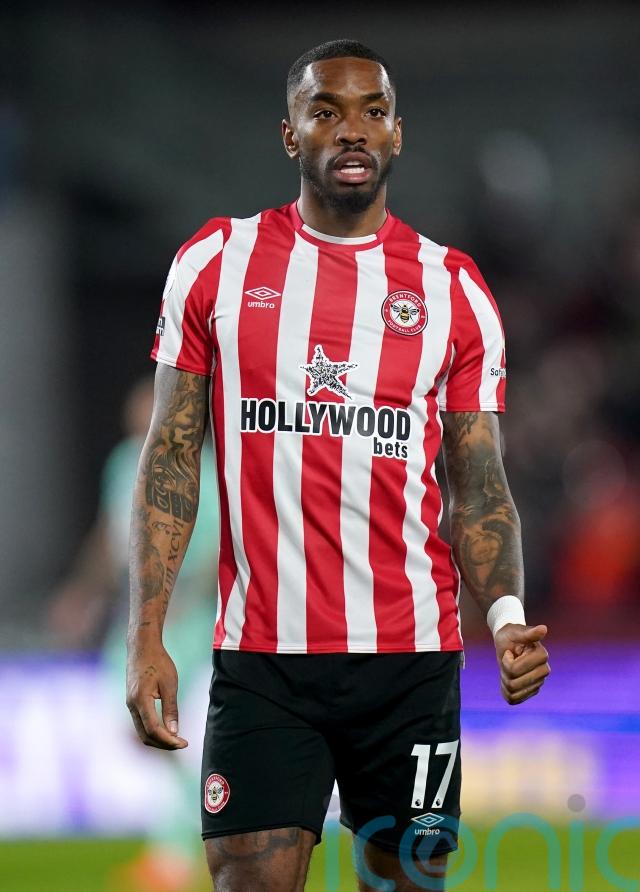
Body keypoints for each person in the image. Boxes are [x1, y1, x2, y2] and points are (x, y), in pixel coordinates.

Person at [126, 39, 551, 892]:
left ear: (397, 134)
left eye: (373, 111)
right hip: (263, 660)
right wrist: (147, 634)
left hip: (411, 664)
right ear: (291, 134)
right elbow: (170, 453)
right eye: (326, 111)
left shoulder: (453, 290)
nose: (352, 129)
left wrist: (506, 615)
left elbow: (480, 485)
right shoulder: (216, 264)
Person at [50, 376, 219, 891]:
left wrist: (175, 605)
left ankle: (177, 853)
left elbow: (214, 548)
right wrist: (82, 590)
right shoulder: (124, 463)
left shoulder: (202, 470)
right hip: (133, 616)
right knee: (140, 728)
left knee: (159, 726)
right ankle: (198, 821)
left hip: (181, 619)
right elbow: (110, 537)